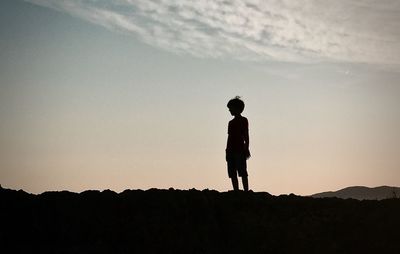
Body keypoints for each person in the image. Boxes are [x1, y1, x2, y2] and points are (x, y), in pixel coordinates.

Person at [226, 96, 250, 191]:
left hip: (240, 149)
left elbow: (246, 136)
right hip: (230, 149)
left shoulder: (243, 120)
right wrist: (227, 151)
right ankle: (236, 190)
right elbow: (229, 137)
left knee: (242, 171)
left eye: (230, 108)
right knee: (232, 172)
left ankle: (246, 191)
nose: (229, 110)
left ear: (237, 109)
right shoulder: (230, 123)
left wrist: (246, 148)